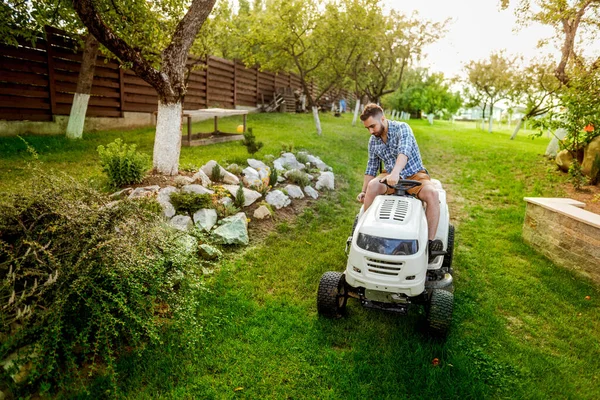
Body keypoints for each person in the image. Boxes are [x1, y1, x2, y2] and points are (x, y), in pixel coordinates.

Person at [356, 103, 443, 260]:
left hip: (414, 174)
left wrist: (396, 173)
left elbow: (404, 152)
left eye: (373, 126)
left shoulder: (402, 128)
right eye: (367, 128)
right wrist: (364, 191)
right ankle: (363, 237)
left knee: (432, 194)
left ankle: (429, 246)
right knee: (372, 186)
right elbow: (371, 167)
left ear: (383, 118)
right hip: (389, 176)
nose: (370, 131)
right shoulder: (373, 140)